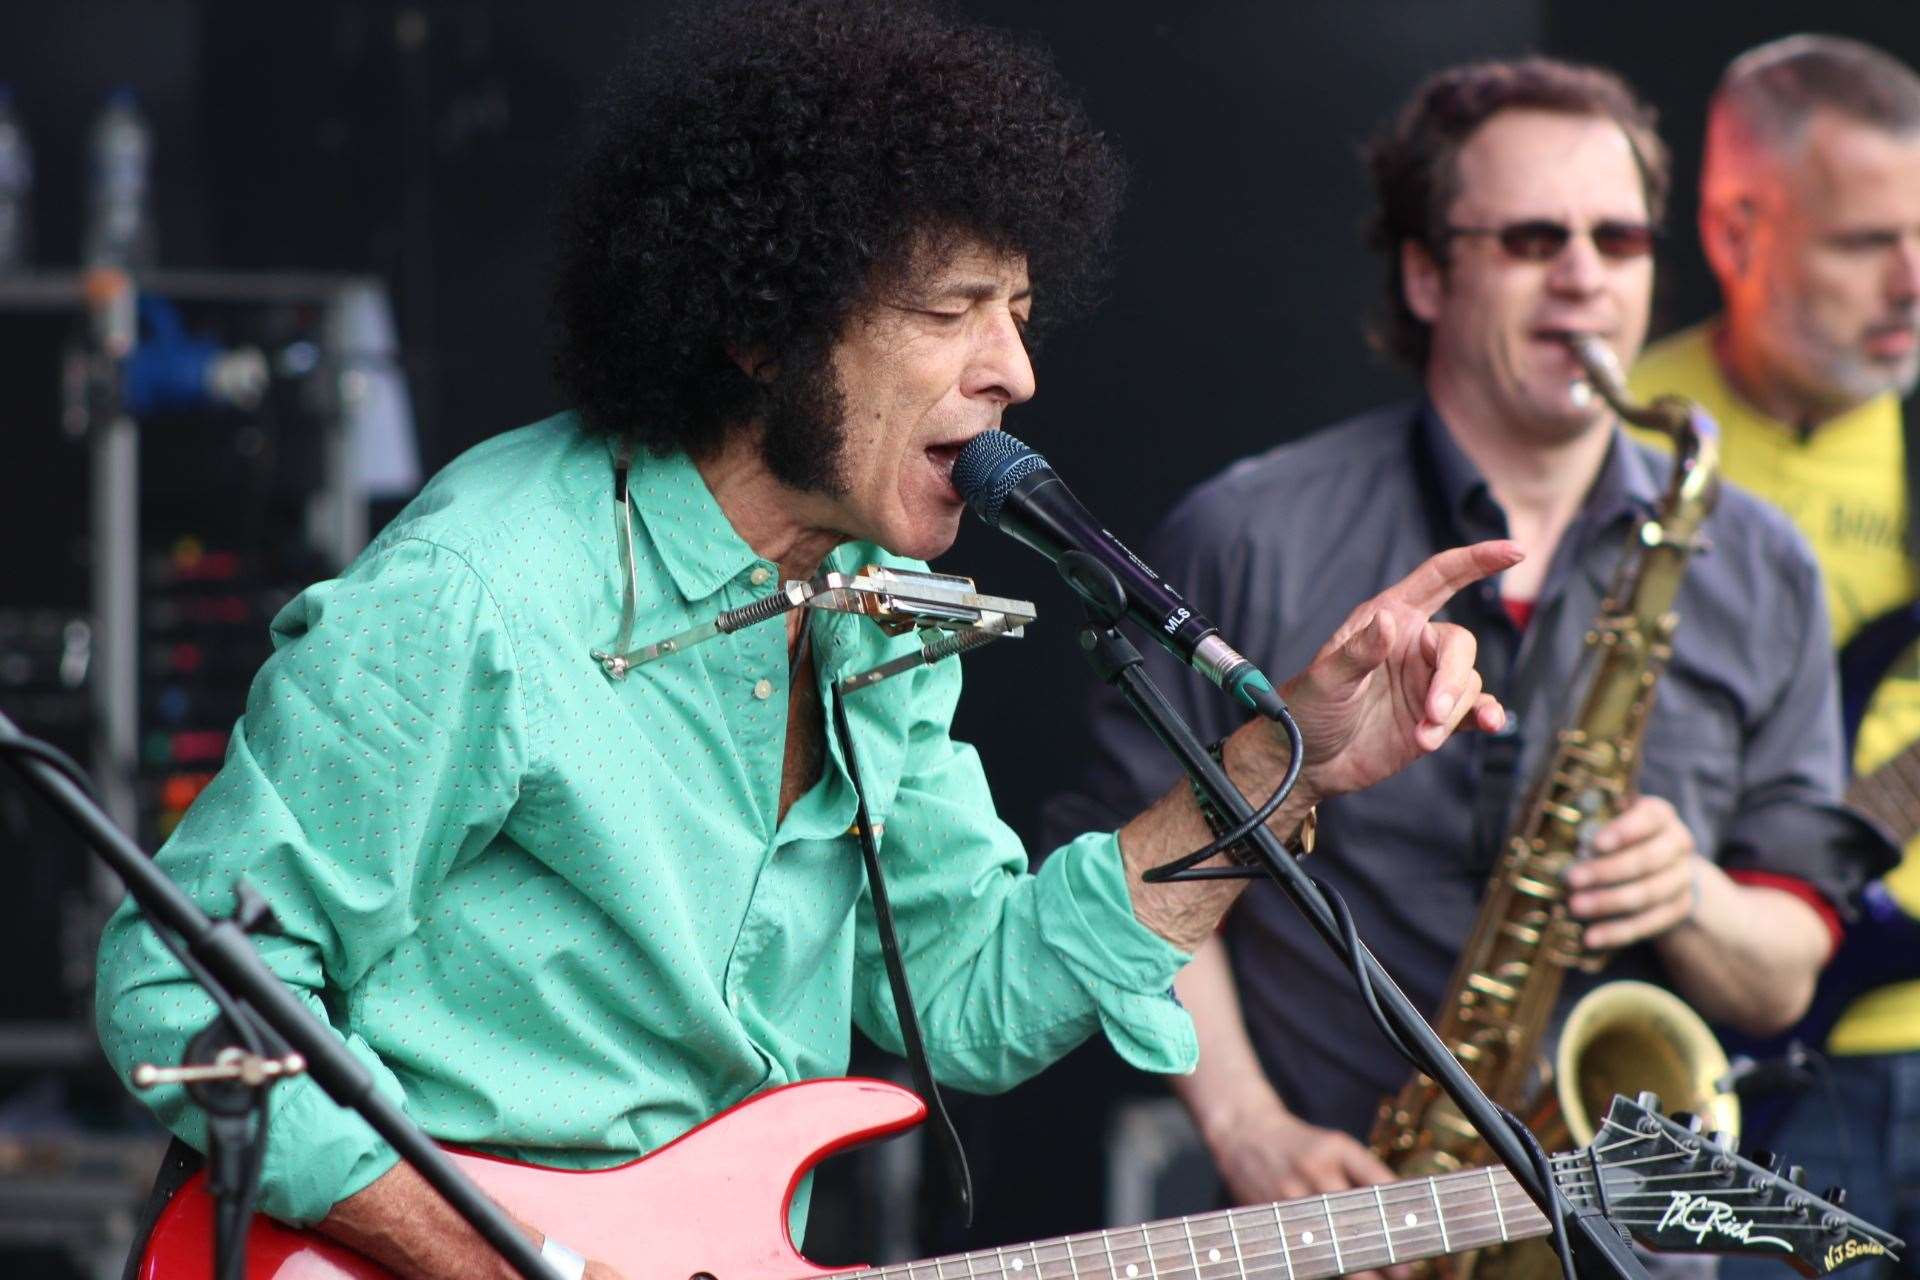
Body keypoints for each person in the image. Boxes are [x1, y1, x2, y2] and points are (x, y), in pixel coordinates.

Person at [92, 5, 1515, 1279]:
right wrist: (502, 1263)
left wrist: (1285, 765)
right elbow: (183, 993)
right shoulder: (482, 593)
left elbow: (968, 1001)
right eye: (950, 310)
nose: (1015, 369)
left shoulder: (872, 619)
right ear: (763, 328)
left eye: (1018, 314)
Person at [1042, 55, 1891, 1266]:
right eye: (1534, 238)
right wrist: (1246, 1125)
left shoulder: (1759, 560)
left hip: (1642, 1238)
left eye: (1620, 237)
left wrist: (1694, 894)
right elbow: (1126, 870)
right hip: (1339, 1225)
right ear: (1428, 273)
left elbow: (1784, 971)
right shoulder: (1248, 531)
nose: (1586, 278)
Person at [1629, 35, 1920, 1278]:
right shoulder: (1622, 430)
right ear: (1737, 231)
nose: (1913, 280)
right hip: (1710, 1050)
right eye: (1866, 243)